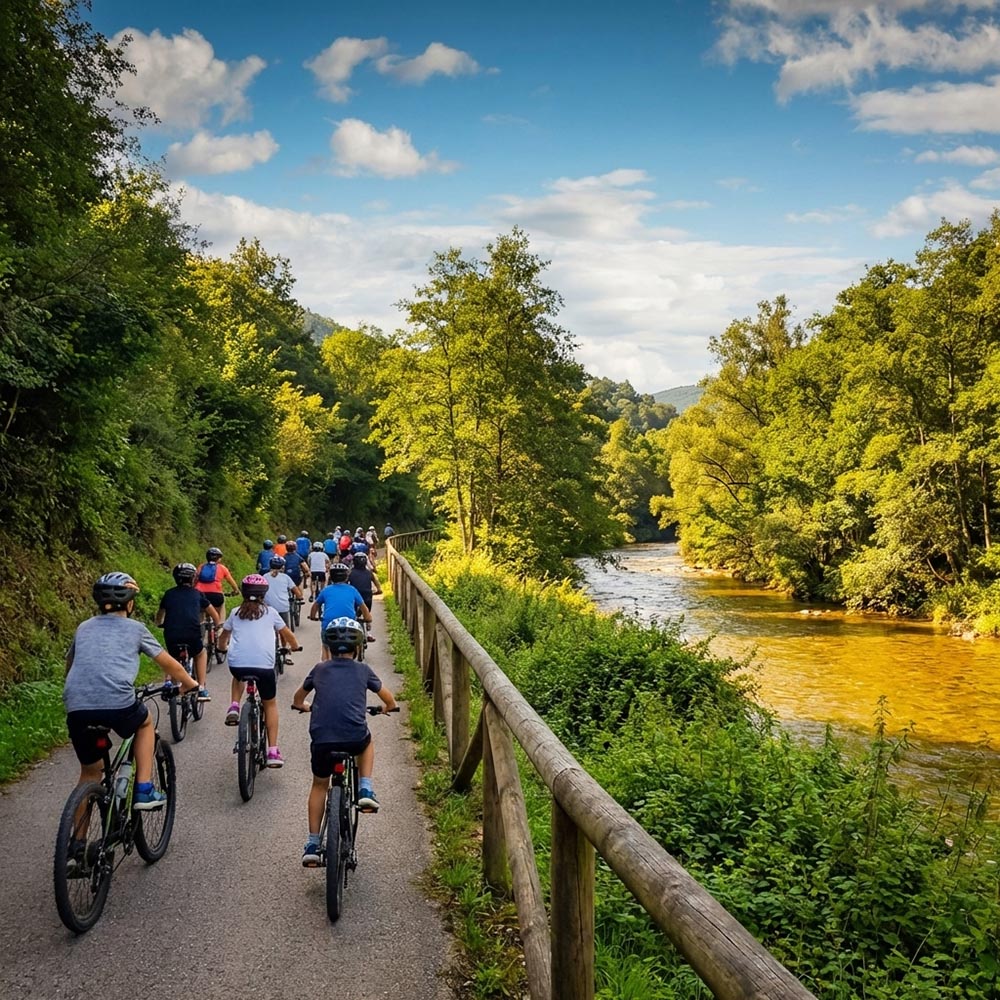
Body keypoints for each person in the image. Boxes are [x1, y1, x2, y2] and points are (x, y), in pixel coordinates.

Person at [64, 572, 199, 812]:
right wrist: (189, 683)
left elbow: (71, 665)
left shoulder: (83, 627)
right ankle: (144, 790)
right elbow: (167, 662)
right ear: (130, 602)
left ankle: (77, 843)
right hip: (118, 702)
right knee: (145, 724)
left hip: (77, 705)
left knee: (89, 773)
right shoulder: (135, 629)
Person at [292, 616, 398, 865]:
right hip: (353, 737)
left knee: (320, 785)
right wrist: (386, 708)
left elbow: (299, 697)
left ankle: (312, 843)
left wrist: (302, 706)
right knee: (367, 740)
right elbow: (390, 700)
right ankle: (365, 788)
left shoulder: (319, 669)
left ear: (327, 646)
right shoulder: (363, 670)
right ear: (359, 647)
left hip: (322, 740)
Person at [217, 574, 300, 769]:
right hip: (264, 667)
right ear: (264, 594)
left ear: (244, 593)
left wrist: (221, 648)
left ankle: (235, 706)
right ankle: (272, 750)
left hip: (238, 664)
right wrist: (295, 646)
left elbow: (223, 637)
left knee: (238, 675)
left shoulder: (236, 612)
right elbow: (287, 634)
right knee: (270, 704)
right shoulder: (270, 613)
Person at [155, 563, 222, 702]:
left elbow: (160, 614)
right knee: (200, 653)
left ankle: (168, 682)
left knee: (171, 656)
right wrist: (217, 625)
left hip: (172, 633)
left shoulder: (169, 594)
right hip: (192, 633)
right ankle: (201, 688)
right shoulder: (197, 594)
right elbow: (213, 613)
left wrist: (159, 623)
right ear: (193, 579)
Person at [309, 563, 373, 657]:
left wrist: (312, 616)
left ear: (331, 576)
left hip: (329, 625)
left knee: (326, 647)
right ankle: (357, 658)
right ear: (346, 576)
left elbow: (315, 606)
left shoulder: (326, 590)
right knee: (356, 641)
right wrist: (368, 618)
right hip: (349, 625)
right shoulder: (352, 590)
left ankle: (325, 663)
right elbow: (363, 607)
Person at [194, 547, 239, 622]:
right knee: (221, 606)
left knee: (200, 611)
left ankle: (200, 626)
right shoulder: (222, 568)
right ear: (219, 559)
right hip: (216, 596)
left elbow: (194, 580)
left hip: (200, 594)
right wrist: (236, 590)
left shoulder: (201, 567)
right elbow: (232, 582)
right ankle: (220, 627)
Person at [263, 555, 303, 632]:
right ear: (282, 567)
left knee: (270, 627)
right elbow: (296, 590)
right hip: (283, 607)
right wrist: (300, 596)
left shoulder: (265, 577)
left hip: (268, 607)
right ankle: (284, 642)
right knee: (284, 628)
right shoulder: (285, 577)